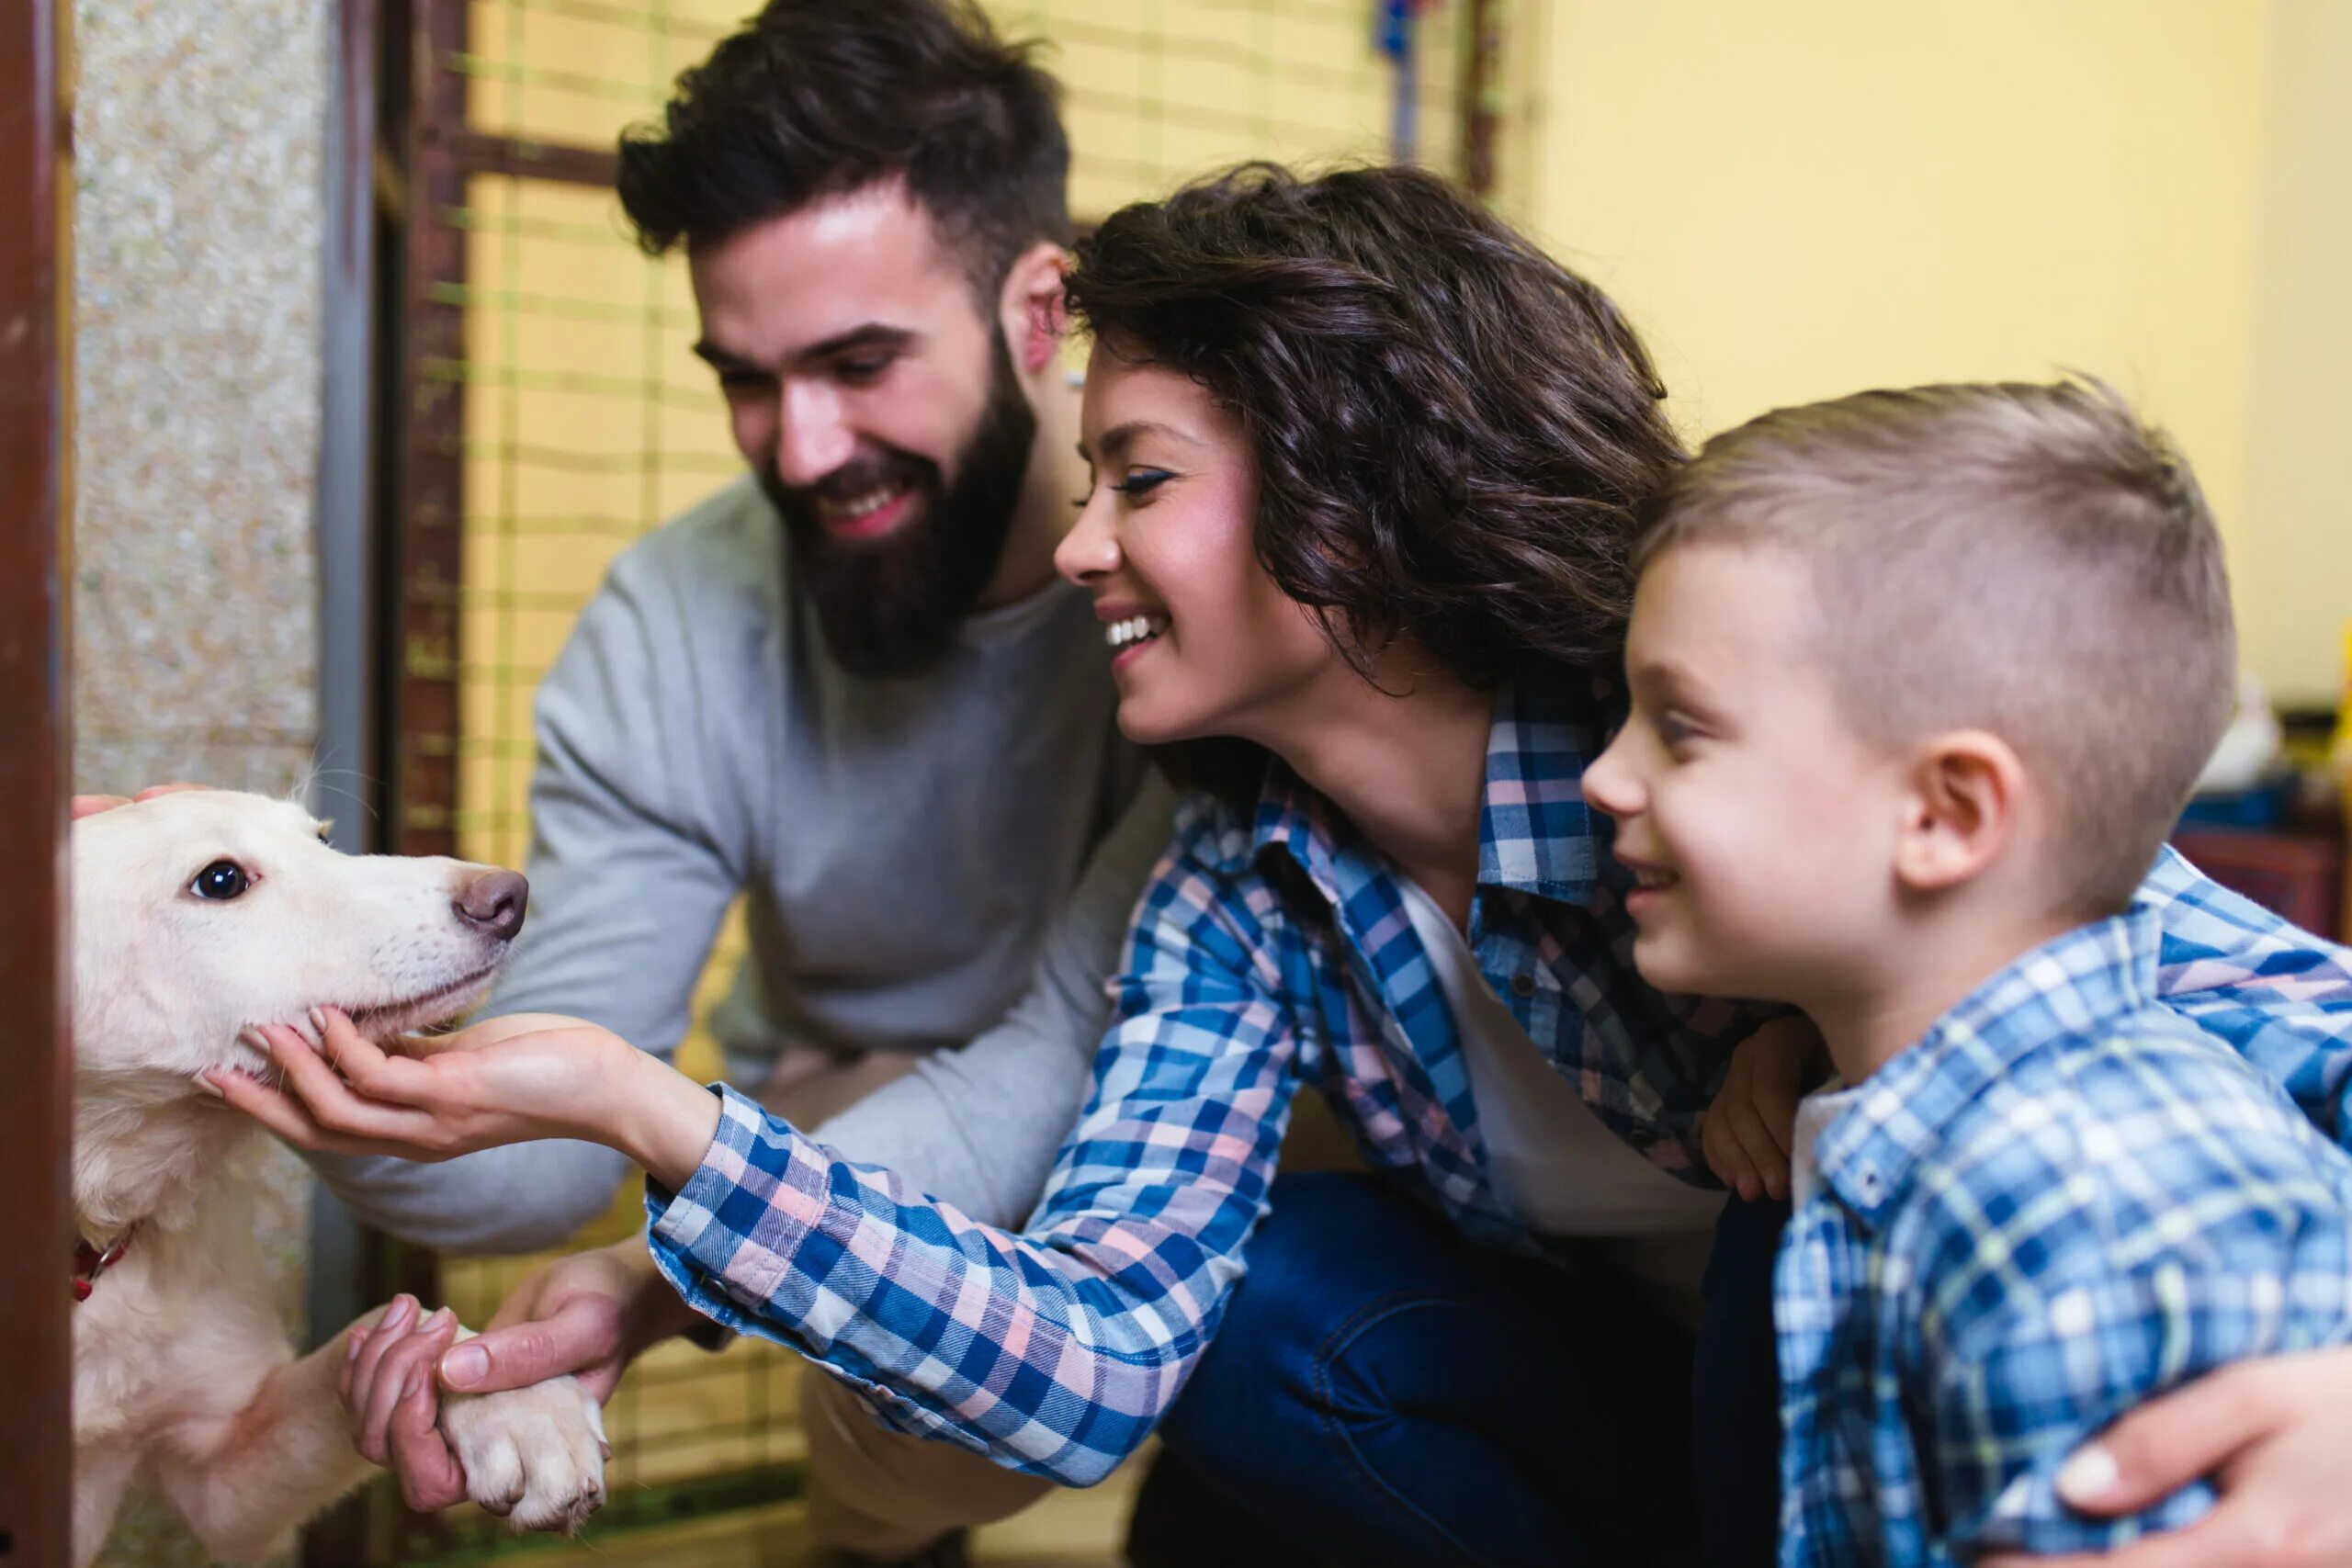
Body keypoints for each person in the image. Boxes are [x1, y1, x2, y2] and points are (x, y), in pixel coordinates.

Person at [217, 166, 2352, 1568]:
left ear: (1348, 501)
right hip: (1624, 1419)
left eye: (1135, 478)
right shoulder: (1240, 879)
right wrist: (650, 1142)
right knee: (1265, 1331)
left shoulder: (1736, 749)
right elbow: (1086, 1344)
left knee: (1788, 1232)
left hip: (1871, 1370)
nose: (1073, 548)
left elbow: (2270, 1020)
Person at [1581, 378, 2352, 1562]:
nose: (1603, 779)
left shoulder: (2078, 1202)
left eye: (1678, 727)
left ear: (1945, 815)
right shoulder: (1931, 1135)